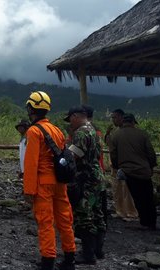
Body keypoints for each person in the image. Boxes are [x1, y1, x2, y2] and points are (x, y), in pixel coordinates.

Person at [23, 91, 76, 270]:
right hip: (60, 183)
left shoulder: (33, 131)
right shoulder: (57, 130)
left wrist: (29, 190)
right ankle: (69, 258)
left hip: (43, 183)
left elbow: (31, 163)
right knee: (64, 220)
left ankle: (48, 260)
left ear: (31, 109)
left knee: (45, 222)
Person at [64, 106, 106, 265]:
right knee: (97, 213)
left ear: (76, 116)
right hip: (97, 176)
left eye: (70, 120)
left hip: (86, 178)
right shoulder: (93, 131)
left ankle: (88, 254)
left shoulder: (81, 133)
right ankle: (99, 249)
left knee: (84, 214)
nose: (70, 124)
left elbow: (74, 156)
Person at [109, 113, 157, 230]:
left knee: (137, 198)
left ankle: (144, 222)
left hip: (128, 171)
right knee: (148, 198)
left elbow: (113, 155)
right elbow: (150, 153)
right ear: (133, 122)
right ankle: (151, 222)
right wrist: (151, 166)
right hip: (144, 171)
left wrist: (117, 166)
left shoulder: (115, 135)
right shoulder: (142, 134)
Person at [105, 109, 138, 220]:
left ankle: (131, 212)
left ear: (121, 118)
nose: (113, 120)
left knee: (127, 190)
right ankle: (120, 211)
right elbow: (110, 146)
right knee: (117, 189)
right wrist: (107, 134)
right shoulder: (116, 132)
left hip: (125, 165)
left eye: (114, 117)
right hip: (116, 165)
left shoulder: (129, 132)